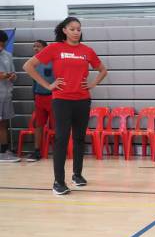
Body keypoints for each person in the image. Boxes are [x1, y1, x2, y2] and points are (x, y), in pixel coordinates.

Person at [23, 17, 108, 195]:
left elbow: (103, 70)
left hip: (83, 100)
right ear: (64, 30)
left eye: (78, 29)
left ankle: (77, 175)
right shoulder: (54, 48)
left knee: (78, 138)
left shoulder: (87, 51)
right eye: (72, 29)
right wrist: (48, 86)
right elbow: (28, 66)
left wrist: (92, 84)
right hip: (61, 100)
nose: (76, 32)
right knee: (61, 138)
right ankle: (58, 182)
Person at [26, 40, 55, 162]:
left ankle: (59, 150)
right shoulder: (34, 64)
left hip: (52, 97)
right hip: (39, 97)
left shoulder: (53, 62)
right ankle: (37, 151)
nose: (35, 48)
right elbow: (34, 82)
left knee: (56, 125)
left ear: (45, 48)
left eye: (38, 46)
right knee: (39, 125)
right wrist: (34, 97)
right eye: (34, 46)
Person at [0, 29, 20, 163]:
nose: (1, 45)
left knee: (4, 123)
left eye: (2, 43)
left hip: (6, 94)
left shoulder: (7, 55)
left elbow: (13, 74)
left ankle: (5, 150)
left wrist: (12, 76)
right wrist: (3, 75)